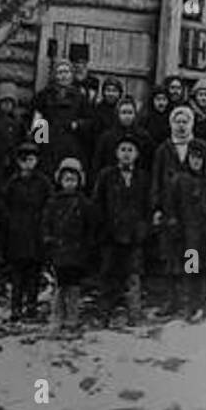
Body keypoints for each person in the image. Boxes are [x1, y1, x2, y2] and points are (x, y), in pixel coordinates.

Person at [161, 138, 206, 319]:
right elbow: (172, 205)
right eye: (192, 158)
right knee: (191, 268)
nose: (196, 162)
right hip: (189, 234)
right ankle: (191, 303)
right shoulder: (179, 179)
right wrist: (174, 223)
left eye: (200, 158)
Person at [93, 138, 150, 325]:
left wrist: (142, 228)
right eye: (123, 149)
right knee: (108, 274)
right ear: (117, 153)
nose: (126, 153)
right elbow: (98, 203)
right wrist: (103, 227)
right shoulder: (106, 176)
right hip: (111, 234)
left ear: (136, 155)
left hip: (134, 235)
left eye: (130, 150)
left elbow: (147, 205)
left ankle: (134, 315)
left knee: (133, 275)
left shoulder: (142, 177)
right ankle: (104, 314)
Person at [41, 157, 98, 335]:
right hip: (59, 250)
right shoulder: (53, 202)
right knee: (59, 286)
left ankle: (72, 318)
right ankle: (57, 317)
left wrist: (87, 245)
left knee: (74, 286)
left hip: (76, 251)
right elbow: (46, 223)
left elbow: (90, 226)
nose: (69, 183)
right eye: (66, 179)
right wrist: (48, 239)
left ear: (79, 181)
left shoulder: (84, 203)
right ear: (59, 180)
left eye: (73, 179)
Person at [0, 141, 50, 323]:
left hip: (36, 233)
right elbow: (4, 206)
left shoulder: (43, 183)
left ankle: (32, 306)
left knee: (34, 273)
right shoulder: (12, 183)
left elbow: (49, 205)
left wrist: (44, 227)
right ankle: (15, 307)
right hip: (17, 234)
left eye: (31, 159)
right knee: (17, 274)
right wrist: (10, 223)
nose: (27, 163)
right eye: (24, 160)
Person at [33, 59, 92, 173]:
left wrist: (77, 125)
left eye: (66, 72)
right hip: (49, 143)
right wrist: (40, 143)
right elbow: (38, 119)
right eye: (60, 72)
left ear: (71, 75)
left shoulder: (80, 97)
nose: (63, 76)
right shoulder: (44, 95)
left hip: (71, 143)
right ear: (55, 75)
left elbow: (89, 120)